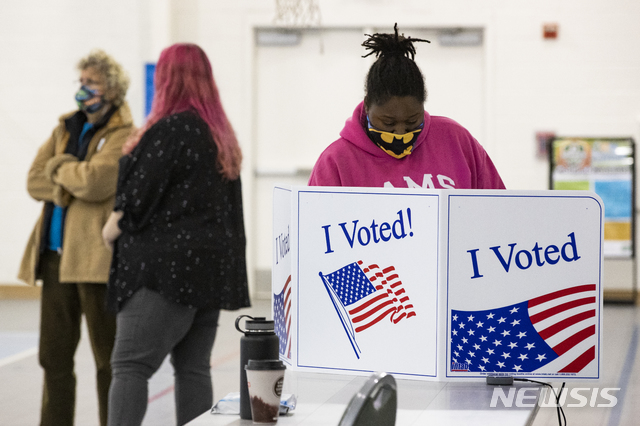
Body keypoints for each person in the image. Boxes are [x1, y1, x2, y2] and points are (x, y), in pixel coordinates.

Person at [102, 43, 250, 426]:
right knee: (193, 368)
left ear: (165, 79)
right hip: (211, 272)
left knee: (129, 366)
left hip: (163, 274)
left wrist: (111, 226)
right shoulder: (221, 137)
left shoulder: (169, 131)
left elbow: (137, 197)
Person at [18, 50, 133, 426]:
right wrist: (69, 176)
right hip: (53, 259)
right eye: (81, 82)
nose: (83, 91)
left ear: (112, 90)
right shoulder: (64, 127)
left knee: (108, 360)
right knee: (53, 358)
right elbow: (34, 180)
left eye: (92, 83)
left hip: (96, 262)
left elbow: (98, 181)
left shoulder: (125, 134)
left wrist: (60, 170)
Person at [308, 24, 505, 190]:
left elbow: (499, 210)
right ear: (367, 105)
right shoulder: (336, 162)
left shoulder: (457, 142)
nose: (401, 133)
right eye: (388, 123)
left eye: (412, 122)